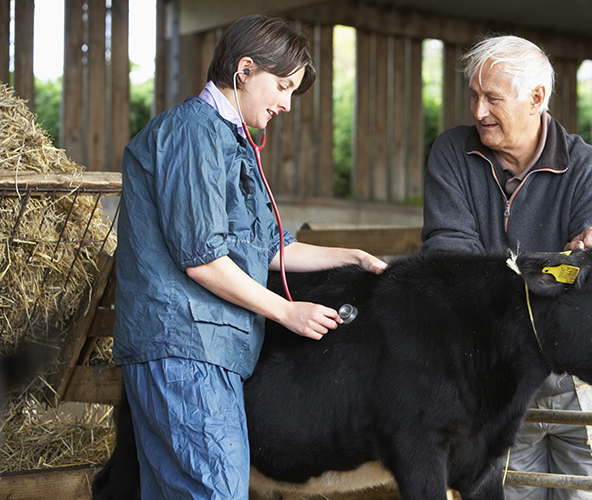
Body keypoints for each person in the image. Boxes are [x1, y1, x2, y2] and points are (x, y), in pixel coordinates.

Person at [113, 15, 387, 500]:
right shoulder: (192, 134)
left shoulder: (230, 141)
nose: (285, 103)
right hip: (184, 347)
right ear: (244, 70)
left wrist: (351, 255)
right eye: (281, 86)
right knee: (217, 490)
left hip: (206, 350)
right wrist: (286, 310)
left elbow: (271, 247)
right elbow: (200, 257)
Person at [421, 34, 592, 500]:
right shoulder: (453, 154)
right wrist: (557, 269)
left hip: (584, 381)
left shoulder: (590, 170)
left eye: (492, 98)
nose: (477, 112)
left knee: (590, 494)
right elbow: (451, 265)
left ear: (537, 98)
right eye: (473, 95)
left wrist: (583, 267)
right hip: (500, 381)